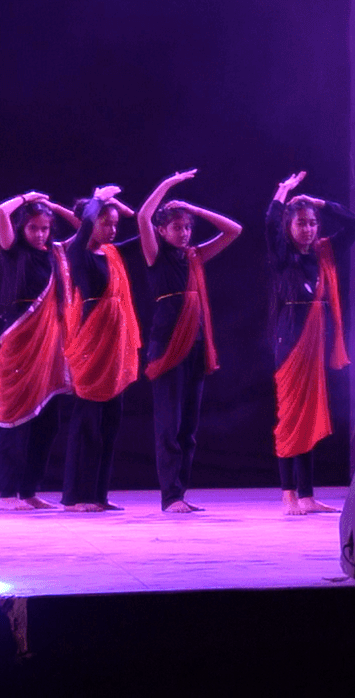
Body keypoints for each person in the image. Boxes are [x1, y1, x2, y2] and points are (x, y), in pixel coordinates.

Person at [137, 169, 242, 513]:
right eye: (176, 227)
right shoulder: (156, 256)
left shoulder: (195, 256)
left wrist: (193, 209)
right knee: (169, 425)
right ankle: (170, 497)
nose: (183, 233)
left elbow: (234, 230)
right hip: (168, 345)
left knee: (188, 428)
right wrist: (169, 185)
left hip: (196, 346)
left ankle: (180, 493)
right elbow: (143, 216)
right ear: (162, 231)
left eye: (186, 227)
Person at [266, 171, 355, 516]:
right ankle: (288, 494)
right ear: (289, 226)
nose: (307, 229)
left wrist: (319, 202)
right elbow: (269, 223)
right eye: (300, 223)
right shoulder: (282, 254)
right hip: (290, 340)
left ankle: (307, 495)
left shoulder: (323, 252)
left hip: (315, 342)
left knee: (306, 417)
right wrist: (283, 191)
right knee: (290, 415)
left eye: (311, 223)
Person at [0, 191, 79, 512]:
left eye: (45, 228)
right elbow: (1, 211)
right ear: (22, 228)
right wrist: (27, 198)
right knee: (16, 417)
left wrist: (53, 207)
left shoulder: (57, 252)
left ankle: (29, 491)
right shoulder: (13, 251)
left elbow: (84, 227)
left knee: (48, 422)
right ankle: (7, 494)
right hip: (21, 342)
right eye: (33, 228)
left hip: (51, 346)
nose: (40, 234)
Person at [61, 185, 142, 512]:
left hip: (115, 345)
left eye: (114, 224)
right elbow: (83, 230)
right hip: (91, 344)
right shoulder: (77, 252)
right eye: (104, 223)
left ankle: (98, 495)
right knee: (87, 426)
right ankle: (76, 497)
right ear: (89, 222)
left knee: (109, 425)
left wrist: (126, 209)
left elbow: (146, 233)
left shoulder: (112, 254)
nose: (111, 229)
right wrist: (97, 200)